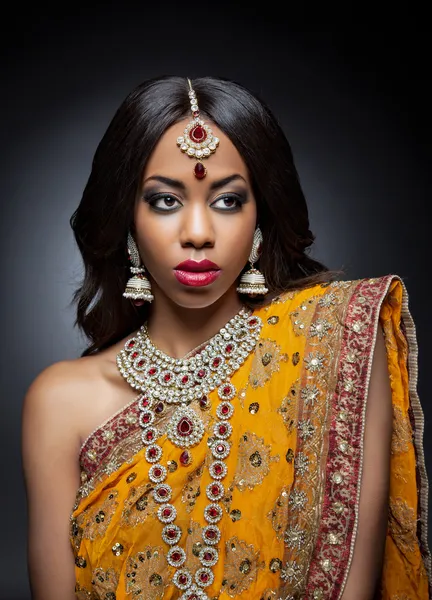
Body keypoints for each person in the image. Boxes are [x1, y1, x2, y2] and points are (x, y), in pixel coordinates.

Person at [21, 75, 430, 600]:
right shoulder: (59, 402)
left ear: (261, 216)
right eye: (165, 201)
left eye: (228, 200)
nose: (197, 232)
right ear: (127, 217)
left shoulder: (335, 342)